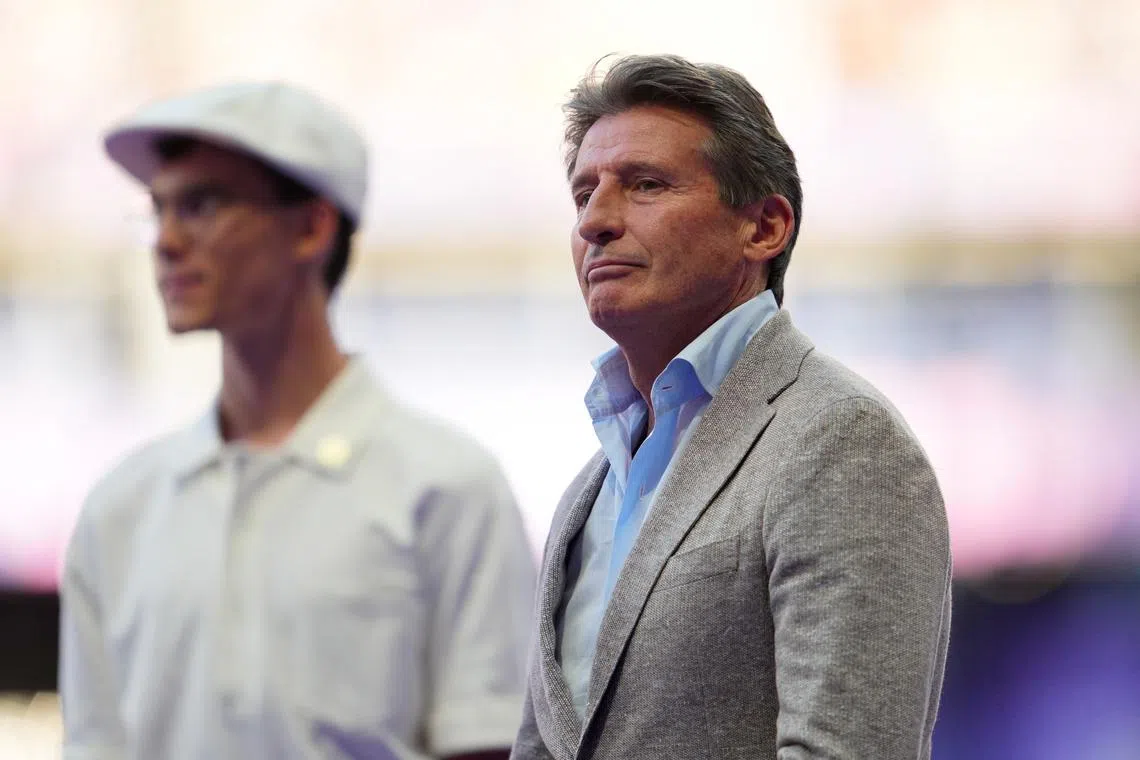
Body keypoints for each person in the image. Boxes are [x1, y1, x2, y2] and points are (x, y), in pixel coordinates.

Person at [60, 81, 536, 760]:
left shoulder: (449, 487)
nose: (164, 241)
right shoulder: (121, 507)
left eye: (202, 204)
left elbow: (482, 745)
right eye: (157, 210)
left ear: (313, 227)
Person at [512, 54, 952, 759]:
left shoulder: (841, 440)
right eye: (583, 194)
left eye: (645, 185)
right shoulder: (584, 495)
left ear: (765, 227)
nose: (596, 221)